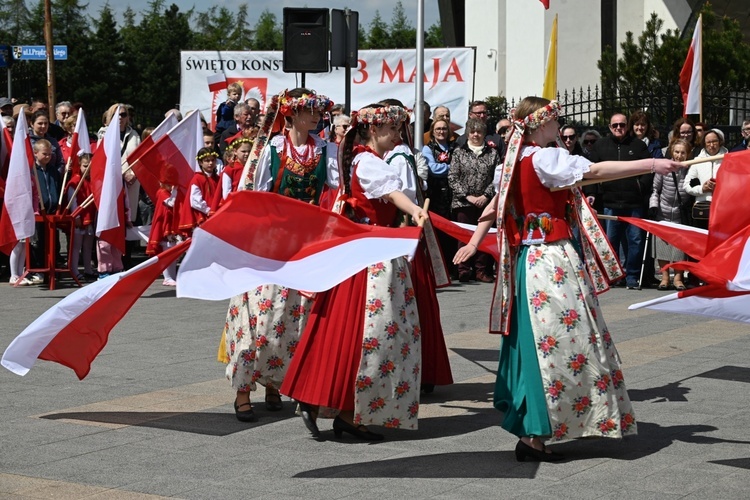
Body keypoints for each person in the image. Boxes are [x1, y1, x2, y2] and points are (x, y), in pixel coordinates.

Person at [455, 96, 682, 461]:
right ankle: (539, 429)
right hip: (549, 259)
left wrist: (474, 241)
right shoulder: (544, 158)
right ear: (537, 124)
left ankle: (539, 430)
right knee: (562, 340)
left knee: (553, 340)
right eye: (553, 121)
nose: (557, 127)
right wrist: (653, 163)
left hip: (534, 259)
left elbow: (495, 206)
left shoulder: (519, 159)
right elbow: (594, 171)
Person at [280, 103, 427, 441]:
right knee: (369, 333)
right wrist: (415, 210)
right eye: (391, 129)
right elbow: (391, 194)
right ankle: (337, 408)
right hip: (371, 258)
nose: (397, 135)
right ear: (374, 130)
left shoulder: (363, 160)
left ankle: (336, 407)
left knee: (354, 332)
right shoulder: (368, 163)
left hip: (371, 252)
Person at [222, 88, 338, 423]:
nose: (316, 115)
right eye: (309, 110)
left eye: (318, 109)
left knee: (294, 317)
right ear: (291, 114)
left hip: (306, 246)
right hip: (269, 246)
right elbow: (253, 196)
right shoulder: (270, 148)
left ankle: (277, 383)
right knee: (257, 317)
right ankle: (243, 392)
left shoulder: (326, 149)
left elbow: (340, 189)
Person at [589, 112, 651, 289]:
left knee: (636, 242)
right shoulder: (600, 146)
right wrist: (592, 193)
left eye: (622, 125)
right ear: (610, 127)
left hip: (634, 204)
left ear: (627, 126)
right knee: (610, 242)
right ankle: (613, 276)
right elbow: (591, 171)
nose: (618, 128)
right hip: (610, 203)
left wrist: (640, 188)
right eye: (615, 125)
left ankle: (632, 276)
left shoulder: (638, 146)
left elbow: (648, 170)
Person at [448, 117, 498, 283]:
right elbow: (453, 178)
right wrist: (468, 196)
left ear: (484, 134)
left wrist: (485, 196)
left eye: (479, 131)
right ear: (467, 134)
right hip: (463, 202)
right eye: (472, 131)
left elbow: (496, 179)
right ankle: (463, 269)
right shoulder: (459, 152)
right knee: (464, 235)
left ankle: (481, 270)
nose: (476, 134)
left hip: (486, 202)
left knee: (484, 235)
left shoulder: (492, 153)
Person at [649, 139, 691, 291]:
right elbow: (655, 189)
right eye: (677, 152)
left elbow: (692, 187)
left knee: (679, 247)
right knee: (662, 246)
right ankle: (665, 277)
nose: (679, 155)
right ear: (672, 152)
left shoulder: (690, 168)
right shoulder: (664, 167)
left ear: (688, 154)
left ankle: (678, 278)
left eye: (683, 152)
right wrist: (653, 205)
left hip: (680, 214)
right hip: (663, 211)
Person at [422, 118, 457, 273]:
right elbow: (433, 169)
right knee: (440, 231)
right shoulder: (428, 149)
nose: (441, 132)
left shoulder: (455, 147)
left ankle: (453, 266)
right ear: (432, 131)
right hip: (437, 194)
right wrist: (455, 168)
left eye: (444, 129)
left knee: (453, 230)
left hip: (453, 193)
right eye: (438, 129)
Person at [28, 140, 62, 284]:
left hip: (51, 212)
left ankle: (51, 268)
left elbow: (56, 186)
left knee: (53, 243)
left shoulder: (53, 170)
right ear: (35, 153)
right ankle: (38, 269)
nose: (48, 157)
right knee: (37, 242)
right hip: (37, 213)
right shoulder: (31, 170)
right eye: (44, 154)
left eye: (50, 154)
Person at [683, 129, 728, 231]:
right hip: (703, 211)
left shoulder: (728, 159)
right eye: (708, 142)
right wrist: (702, 189)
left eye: (714, 141)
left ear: (720, 142)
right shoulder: (698, 161)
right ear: (704, 143)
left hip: (723, 210)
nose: (711, 145)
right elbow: (687, 185)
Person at [146, 165, 181, 286]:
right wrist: (176, 190)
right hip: (163, 225)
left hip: (170, 223)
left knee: (171, 251)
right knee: (166, 251)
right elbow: (171, 203)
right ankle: (167, 277)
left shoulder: (167, 191)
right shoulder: (162, 192)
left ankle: (172, 276)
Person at [66, 152, 97, 281]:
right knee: (76, 245)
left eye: (90, 166)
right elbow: (72, 201)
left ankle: (88, 269)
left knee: (88, 245)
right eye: (85, 166)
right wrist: (76, 217)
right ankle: (73, 269)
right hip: (78, 217)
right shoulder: (75, 181)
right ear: (79, 165)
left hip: (89, 216)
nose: (88, 169)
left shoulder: (92, 181)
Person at [179, 147, 218, 237]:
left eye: (213, 160)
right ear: (200, 162)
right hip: (204, 215)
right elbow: (195, 201)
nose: (211, 163)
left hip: (215, 215)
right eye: (207, 161)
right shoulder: (197, 179)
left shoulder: (217, 178)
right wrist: (209, 211)